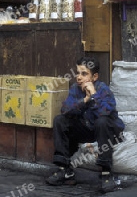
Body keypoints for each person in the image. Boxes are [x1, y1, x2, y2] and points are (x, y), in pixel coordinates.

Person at [46, 56, 124, 193]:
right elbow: (65, 110)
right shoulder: (75, 89)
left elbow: (105, 113)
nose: (79, 77)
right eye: (77, 73)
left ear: (94, 77)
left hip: (105, 131)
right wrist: (85, 100)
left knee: (102, 120)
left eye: (84, 73)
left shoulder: (103, 89)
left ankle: (106, 172)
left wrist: (93, 95)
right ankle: (64, 169)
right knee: (59, 120)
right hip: (87, 129)